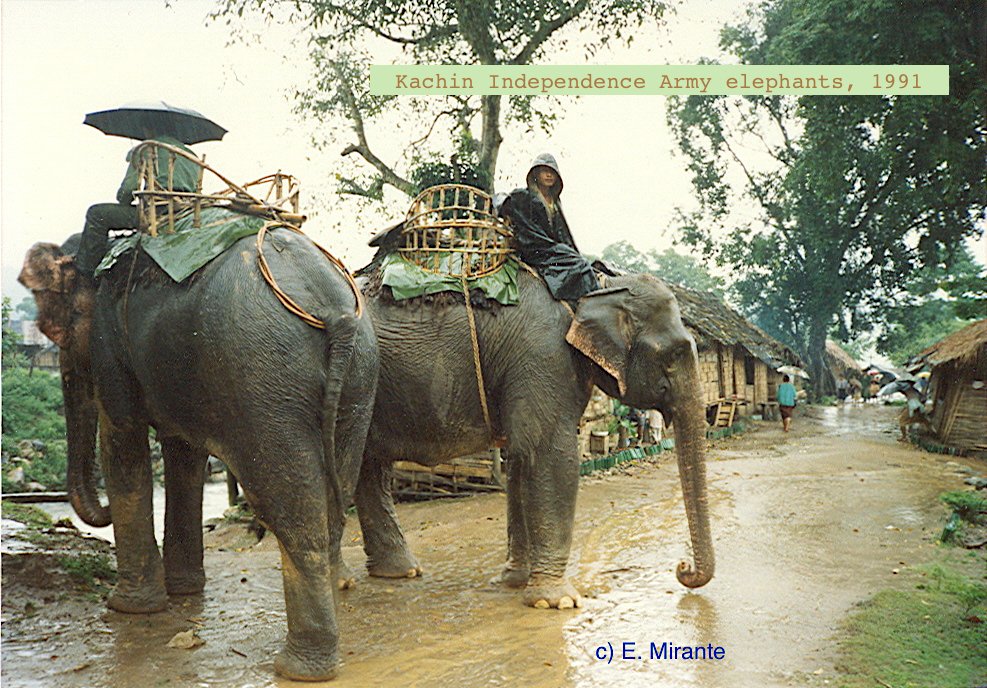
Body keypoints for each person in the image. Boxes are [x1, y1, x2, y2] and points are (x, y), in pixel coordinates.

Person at [75, 132, 200, 277]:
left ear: (147, 128)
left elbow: (128, 191)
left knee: (96, 214)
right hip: (186, 212)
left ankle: (87, 275)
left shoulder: (146, 148)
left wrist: (124, 198)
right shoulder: (191, 155)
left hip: (156, 214)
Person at [498, 153, 598, 303]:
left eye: (552, 172)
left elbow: (563, 233)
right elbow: (505, 202)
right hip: (535, 249)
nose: (549, 175)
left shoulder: (555, 202)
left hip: (552, 249)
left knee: (582, 262)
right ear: (536, 174)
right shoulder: (523, 196)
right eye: (544, 171)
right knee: (577, 262)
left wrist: (572, 251)